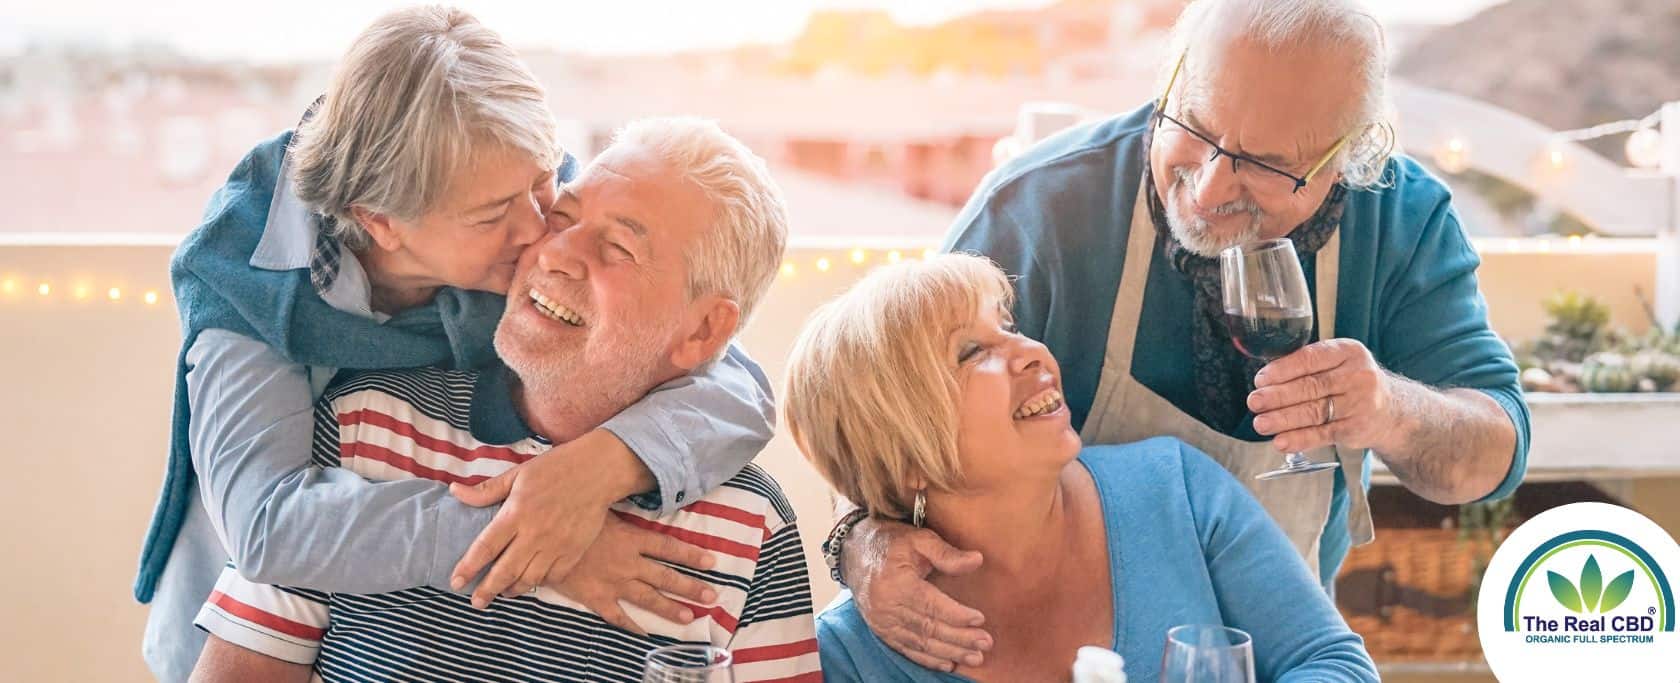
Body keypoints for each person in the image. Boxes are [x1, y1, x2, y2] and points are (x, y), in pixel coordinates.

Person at [827, 0, 1531, 671]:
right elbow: (892, 413)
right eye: (1193, 125)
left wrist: (1389, 410)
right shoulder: (1040, 208)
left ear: (1344, 160)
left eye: (1264, 164)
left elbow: (1491, 456)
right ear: (1169, 80)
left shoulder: (1405, 225)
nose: (1209, 187)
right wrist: (861, 541)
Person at [139, 8, 777, 680]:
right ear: (381, 221)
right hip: (251, 620)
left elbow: (727, 379)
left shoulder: (498, 172)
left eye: (546, 189)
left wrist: (598, 468)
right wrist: (533, 532)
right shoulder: (245, 275)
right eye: (494, 213)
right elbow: (268, 526)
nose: (543, 233)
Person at [784, 254, 1376, 682]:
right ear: (903, 451)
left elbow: (1333, 665)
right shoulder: (845, 658)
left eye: (1008, 328)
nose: (1031, 352)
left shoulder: (1175, 489)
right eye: (972, 352)